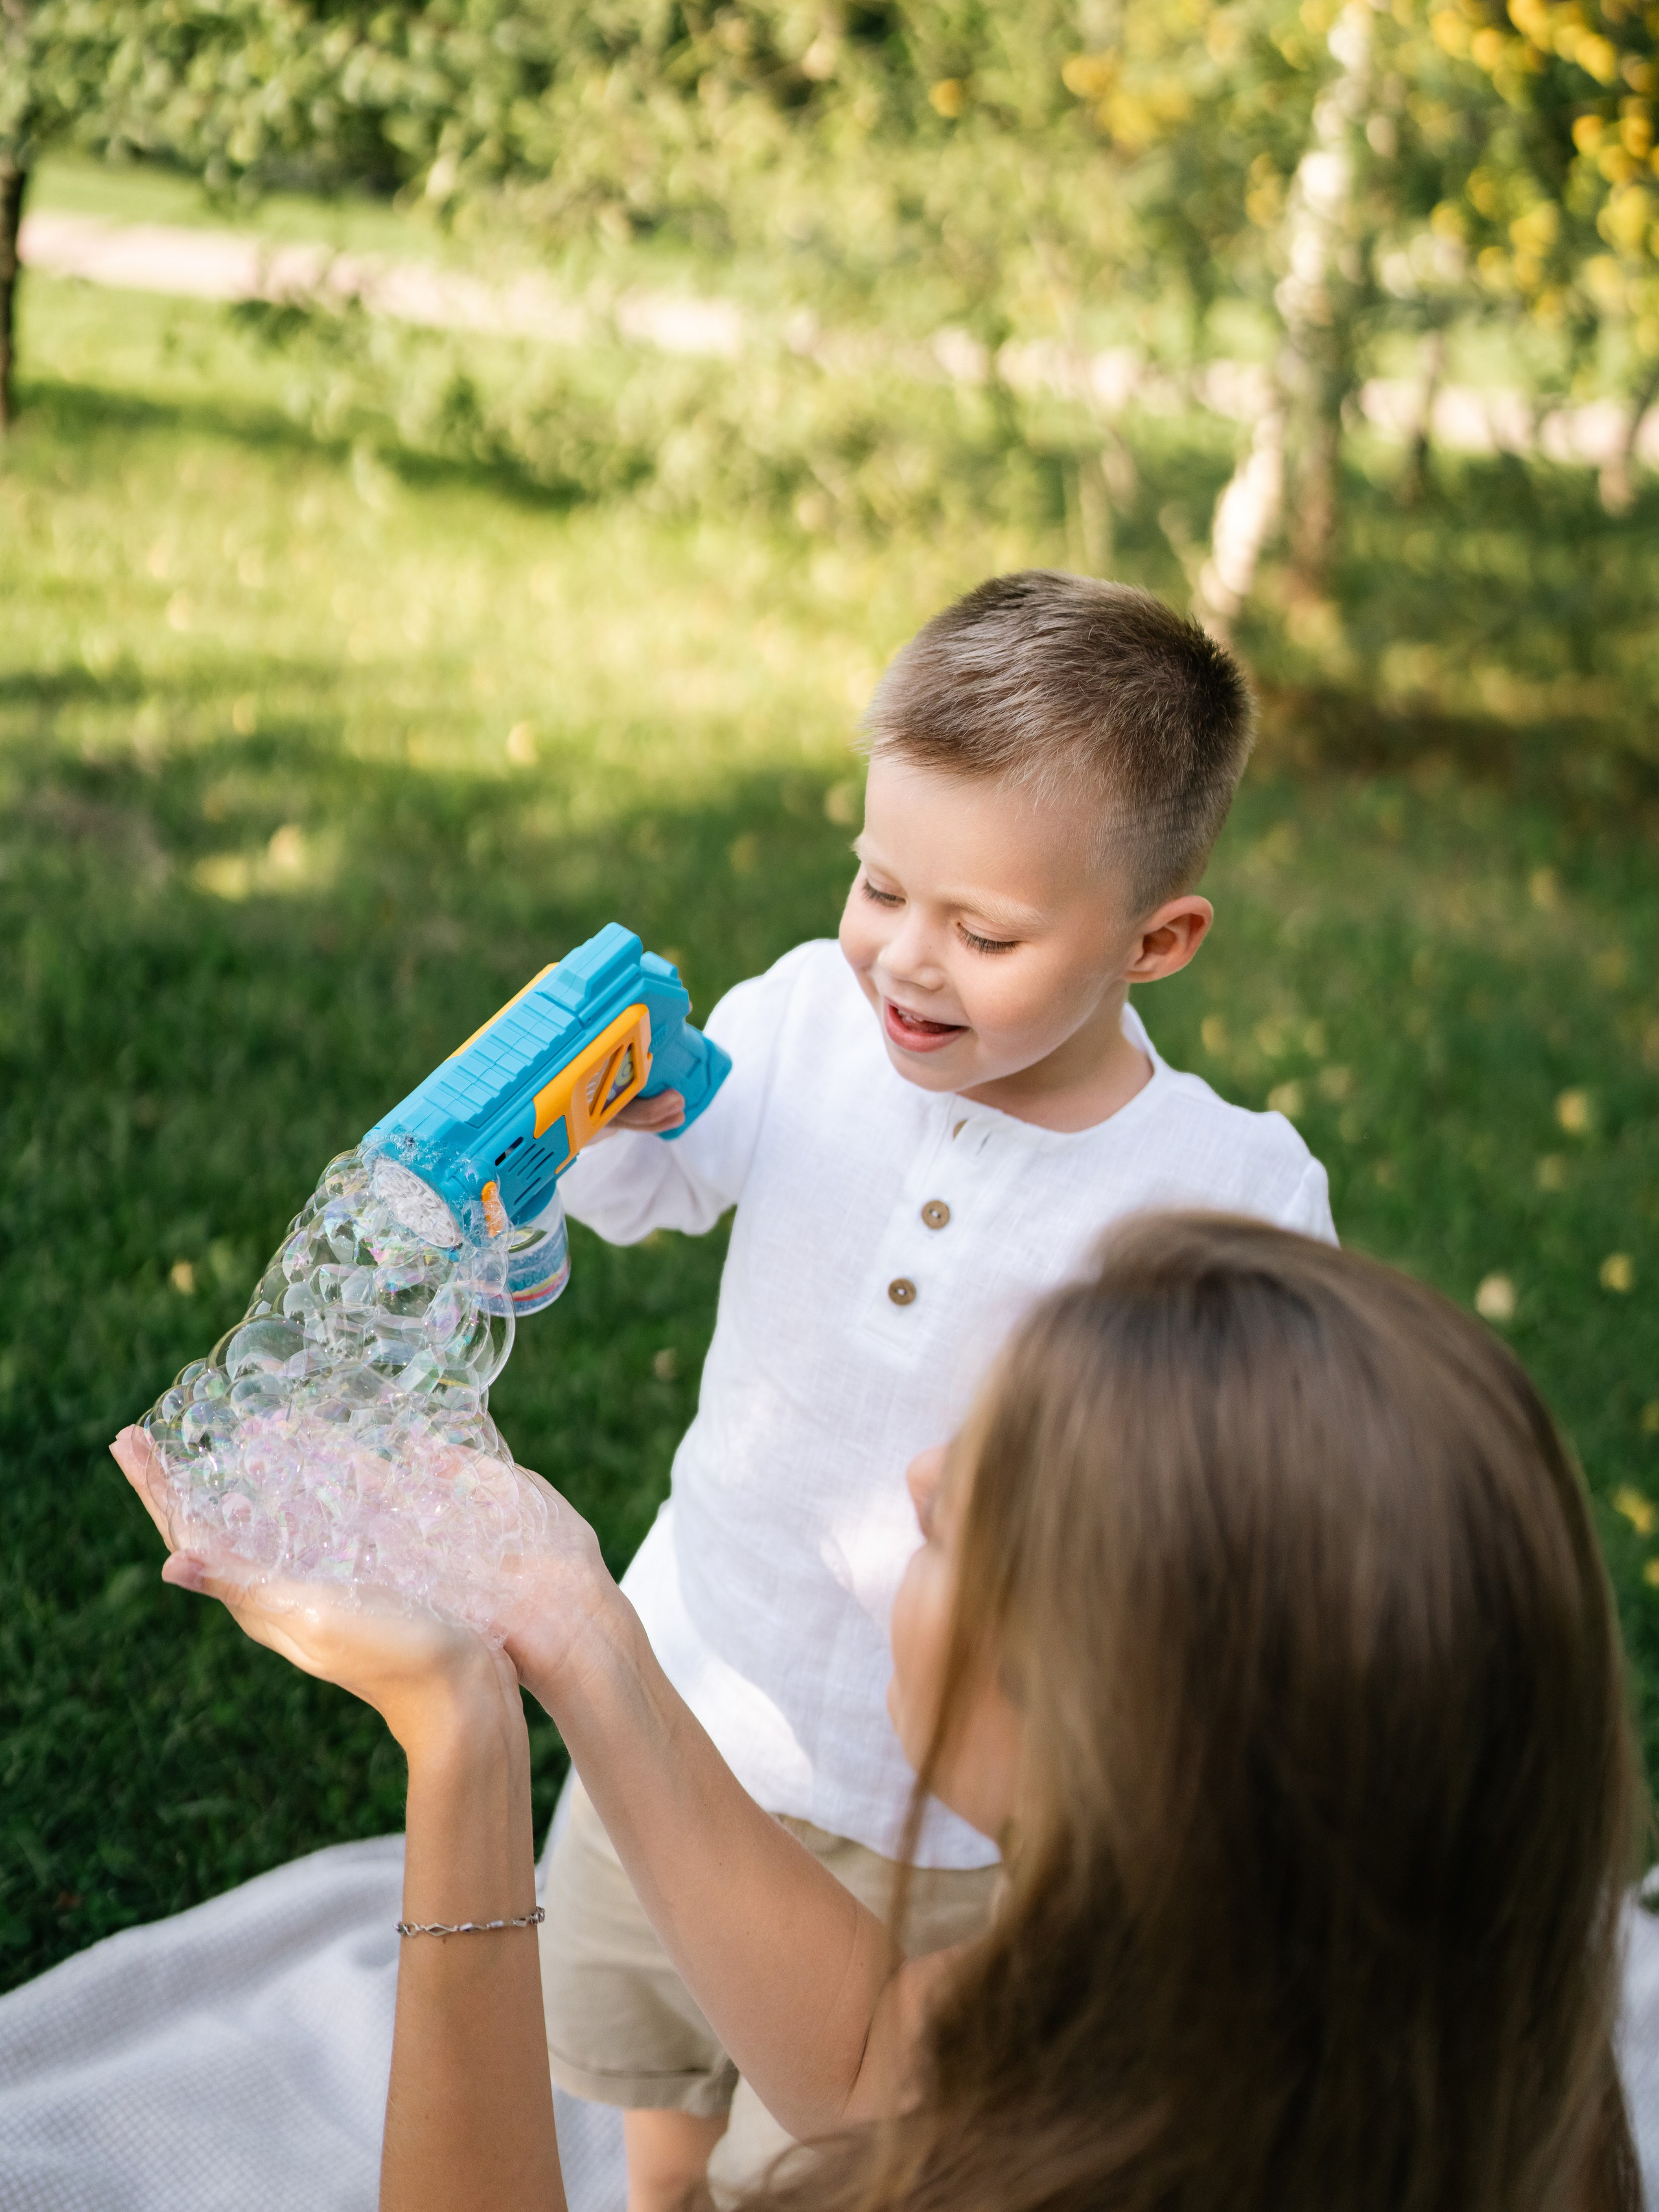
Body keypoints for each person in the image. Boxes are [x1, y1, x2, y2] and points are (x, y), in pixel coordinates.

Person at [114, 1215, 1642, 2212]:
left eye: (963, 1518)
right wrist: (576, 1635)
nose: (918, 1477)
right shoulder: (1422, 2029)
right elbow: (869, 2062)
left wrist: (459, 1745)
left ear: (1099, 1733)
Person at [537, 572, 1336, 2206]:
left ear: (1155, 941)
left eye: (982, 932)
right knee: (649, 2032)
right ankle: (655, 2189)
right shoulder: (807, 1021)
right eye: (877, 882)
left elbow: (1271, 1463)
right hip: (692, 1676)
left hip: (945, 1806)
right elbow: (655, 1188)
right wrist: (610, 1124)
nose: (904, 959)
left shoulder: (1223, 1187)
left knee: (837, 2143)